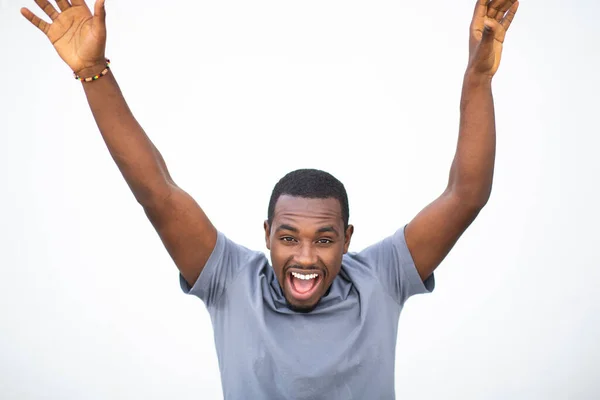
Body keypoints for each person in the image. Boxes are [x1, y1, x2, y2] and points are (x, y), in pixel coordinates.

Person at [21, 0, 519, 398]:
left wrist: (478, 79)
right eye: (288, 237)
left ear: (347, 239)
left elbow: (467, 195)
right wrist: (94, 72)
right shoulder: (230, 280)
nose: (305, 257)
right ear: (266, 235)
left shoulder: (381, 277)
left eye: (324, 239)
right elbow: (155, 189)